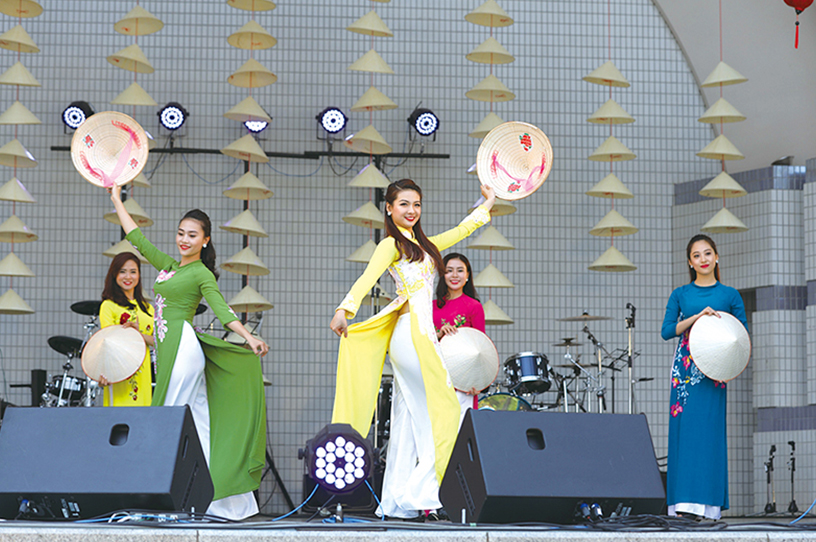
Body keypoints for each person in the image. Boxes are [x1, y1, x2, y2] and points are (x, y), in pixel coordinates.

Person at [329, 179, 495, 519]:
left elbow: (463, 229)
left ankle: (396, 500)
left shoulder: (425, 245)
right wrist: (344, 309)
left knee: (407, 420)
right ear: (389, 208)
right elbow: (366, 278)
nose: (411, 211)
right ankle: (425, 494)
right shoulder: (390, 245)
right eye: (404, 204)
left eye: (416, 204)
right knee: (445, 412)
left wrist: (487, 203)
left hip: (421, 335)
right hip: (411, 335)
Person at [108, 184, 269, 521]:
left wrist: (248, 337)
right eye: (181, 233)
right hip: (170, 350)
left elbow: (223, 311)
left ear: (205, 240)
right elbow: (137, 239)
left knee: (167, 417)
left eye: (192, 235)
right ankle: (225, 502)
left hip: (183, 350)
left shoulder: (200, 273)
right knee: (199, 425)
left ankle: (161, 497)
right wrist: (116, 200)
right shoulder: (171, 267)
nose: (184, 239)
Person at [660, 234, 748, 521]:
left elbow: (742, 334)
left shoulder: (730, 294)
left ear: (717, 256)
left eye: (707, 253)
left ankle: (709, 507)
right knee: (684, 435)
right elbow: (667, 330)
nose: (703, 259)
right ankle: (683, 505)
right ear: (690, 262)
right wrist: (696, 317)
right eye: (697, 256)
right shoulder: (681, 294)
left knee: (709, 434)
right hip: (686, 370)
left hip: (714, 370)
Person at [98, 252, 155, 405]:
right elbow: (108, 342)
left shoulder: (148, 309)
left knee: (142, 423)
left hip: (143, 374)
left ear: (139, 275)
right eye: (122, 271)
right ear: (114, 275)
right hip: (119, 372)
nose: (128, 276)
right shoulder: (108, 306)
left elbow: (158, 342)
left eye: (133, 272)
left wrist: (139, 335)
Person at [433, 252, 485, 419]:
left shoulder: (474, 307)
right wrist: (439, 333)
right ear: (442, 274)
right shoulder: (429, 306)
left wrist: (477, 382)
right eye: (449, 270)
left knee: (460, 434)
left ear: (468, 275)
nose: (454, 275)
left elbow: (480, 348)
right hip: (433, 376)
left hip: (462, 382)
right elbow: (421, 341)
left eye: (460, 271)